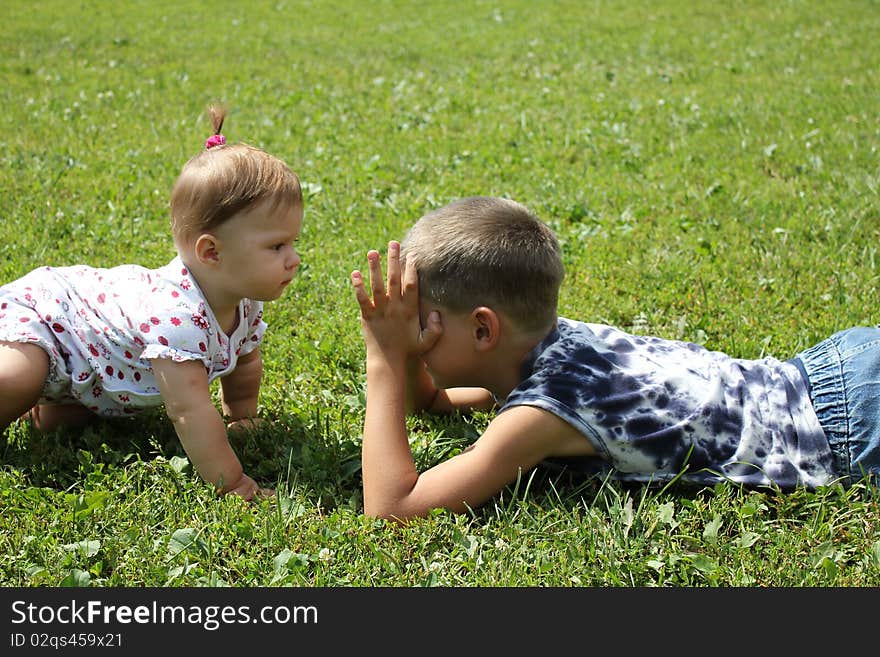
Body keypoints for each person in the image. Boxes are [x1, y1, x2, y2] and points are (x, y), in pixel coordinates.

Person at [351, 195, 880, 522]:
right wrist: (408, 353)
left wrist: (384, 359)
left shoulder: (540, 416)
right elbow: (434, 401)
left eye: (423, 323)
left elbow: (394, 509)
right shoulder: (558, 345)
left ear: (484, 328)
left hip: (848, 431)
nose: (413, 337)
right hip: (830, 369)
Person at [0, 105, 303, 501]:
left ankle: (51, 402)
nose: (293, 258)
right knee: (17, 378)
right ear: (212, 253)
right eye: (277, 246)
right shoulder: (177, 317)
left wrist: (242, 414)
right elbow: (188, 410)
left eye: (293, 243)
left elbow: (244, 360)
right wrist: (234, 485)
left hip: (90, 365)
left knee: (65, 425)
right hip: (52, 318)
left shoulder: (244, 300)